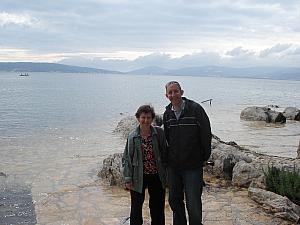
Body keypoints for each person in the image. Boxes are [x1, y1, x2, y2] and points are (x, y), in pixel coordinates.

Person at [163, 81, 212, 225]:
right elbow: (167, 138)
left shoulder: (195, 109)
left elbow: (206, 133)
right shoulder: (167, 114)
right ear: (167, 95)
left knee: (193, 201)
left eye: (175, 91)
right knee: (174, 200)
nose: (173, 95)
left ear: (181, 92)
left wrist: (204, 156)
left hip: (192, 166)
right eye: (170, 93)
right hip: (174, 166)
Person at [122, 105, 167, 225]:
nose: (146, 120)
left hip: (156, 175)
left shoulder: (159, 133)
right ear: (138, 118)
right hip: (138, 175)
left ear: (152, 118)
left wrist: (168, 174)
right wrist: (127, 178)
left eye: (148, 117)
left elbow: (165, 153)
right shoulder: (132, 136)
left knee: (157, 207)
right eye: (143, 117)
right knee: (136, 207)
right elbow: (127, 158)